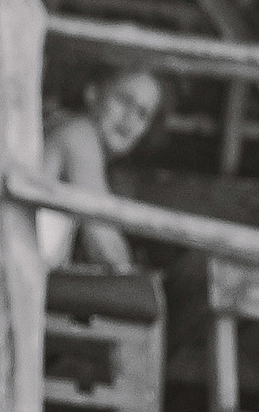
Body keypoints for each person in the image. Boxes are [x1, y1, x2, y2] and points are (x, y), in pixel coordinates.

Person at [40, 63, 166, 271]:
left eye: (142, 113)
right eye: (124, 100)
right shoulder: (80, 135)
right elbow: (105, 244)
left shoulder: (69, 128)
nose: (130, 119)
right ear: (93, 93)